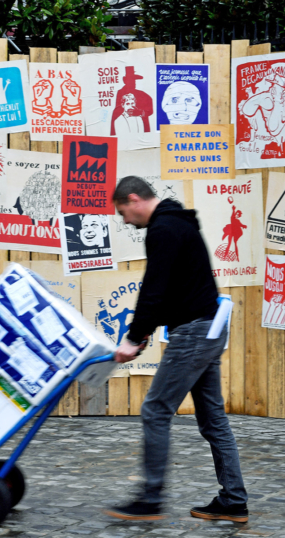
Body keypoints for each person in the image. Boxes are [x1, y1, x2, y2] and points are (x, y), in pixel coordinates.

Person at [102, 176, 248, 523]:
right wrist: (147, 331)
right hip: (208, 327)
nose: (124, 220)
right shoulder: (178, 222)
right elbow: (177, 288)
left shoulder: (163, 230)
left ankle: (150, 499)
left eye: (123, 212)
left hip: (195, 332)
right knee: (213, 421)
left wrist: (135, 338)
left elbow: (155, 288)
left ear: (134, 199)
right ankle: (234, 500)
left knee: (155, 410)